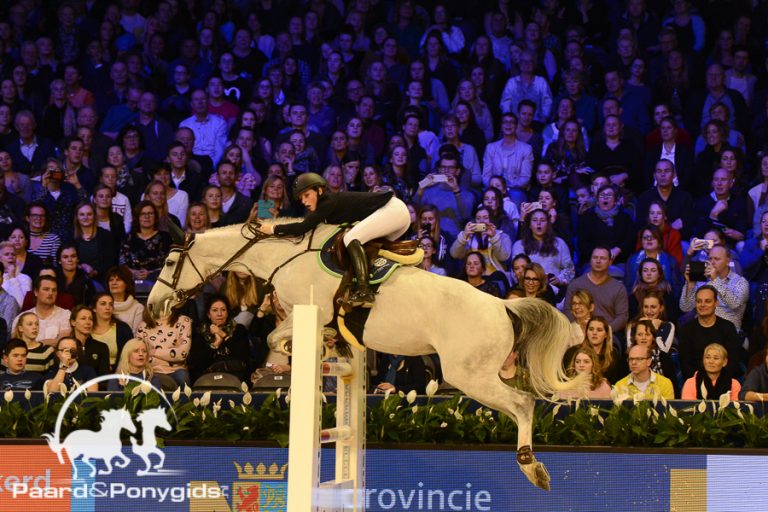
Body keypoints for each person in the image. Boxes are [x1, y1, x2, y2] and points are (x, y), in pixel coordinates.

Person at [258, 172, 410, 307]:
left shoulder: (328, 202)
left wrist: (272, 229)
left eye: (306, 195)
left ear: (319, 190)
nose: (303, 201)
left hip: (393, 210)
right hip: (397, 214)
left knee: (351, 238)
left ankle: (364, 290)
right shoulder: (325, 205)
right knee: (363, 244)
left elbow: (302, 227)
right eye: (300, 198)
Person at [678, 285, 742, 379]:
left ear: (716, 303)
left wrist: (718, 380)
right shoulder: (686, 329)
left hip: (724, 380)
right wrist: (701, 381)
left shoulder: (728, 327)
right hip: (696, 380)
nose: (702, 305)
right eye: (699, 301)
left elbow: (733, 361)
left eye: (707, 301)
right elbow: (685, 364)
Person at [679, 245, 749, 331]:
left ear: (728, 261)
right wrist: (690, 284)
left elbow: (735, 304)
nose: (712, 262)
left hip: (728, 332)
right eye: (710, 259)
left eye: (716, 259)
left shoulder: (740, 282)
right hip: (702, 330)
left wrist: (716, 280)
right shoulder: (701, 281)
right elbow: (685, 307)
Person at [564, 247, 629, 335]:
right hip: (579, 333)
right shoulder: (575, 285)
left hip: (608, 334)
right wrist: (582, 329)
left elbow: (622, 317)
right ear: (590, 260)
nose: (598, 261)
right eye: (595, 257)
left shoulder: (618, 288)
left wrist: (604, 331)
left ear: (610, 262)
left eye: (602, 258)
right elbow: (568, 310)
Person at [190, 294, 251, 383]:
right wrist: (216, 344)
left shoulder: (238, 329)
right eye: (215, 310)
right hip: (208, 376)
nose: (219, 314)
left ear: (227, 313)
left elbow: (243, 355)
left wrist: (223, 335)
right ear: (208, 314)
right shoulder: (200, 331)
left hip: (235, 374)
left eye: (223, 310)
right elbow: (197, 363)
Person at [136, 309, 192, 388]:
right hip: (151, 370)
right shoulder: (143, 325)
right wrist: (172, 352)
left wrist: (153, 352)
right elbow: (141, 355)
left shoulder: (184, 321)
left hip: (176, 371)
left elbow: (182, 354)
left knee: (182, 377)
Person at [12, 276, 70, 347]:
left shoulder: (65, 315)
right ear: (36, 292)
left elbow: (62, 342)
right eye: (46, 289)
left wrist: (33, 344)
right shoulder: (21, 318)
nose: (50, 293)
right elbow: (16, 346)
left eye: (54, 290)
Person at [70, 305, 110, 375]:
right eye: (83, 318)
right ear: (73, 322)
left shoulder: (101, 347)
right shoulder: (65, 346)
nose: (88, 322)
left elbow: (104, 377)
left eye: (90, 319)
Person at [104, 266, 144, 333]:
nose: (114, 283)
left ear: (126, 284)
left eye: (118, 280)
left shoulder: (138, 308)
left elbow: (136, 337)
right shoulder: (101, 306)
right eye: (111, 280)